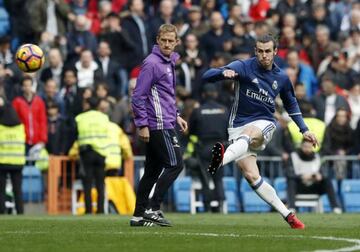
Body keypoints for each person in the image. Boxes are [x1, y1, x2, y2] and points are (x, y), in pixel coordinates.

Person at [202, 34, 319, 229]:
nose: (264, 55)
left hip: (264, 123)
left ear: (275, 52)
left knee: (250, 133)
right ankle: (289, 216)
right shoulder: (243, 66)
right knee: (251, 176)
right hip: (236, 126)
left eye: (268, 51)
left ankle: (221, 158)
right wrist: (223, 73)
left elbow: (291, 104)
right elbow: (206, 77)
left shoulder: (281, 77)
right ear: (255, 51)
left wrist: (304, 129)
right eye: (260, 51)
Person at [130, 24, 188, 227]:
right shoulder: (152, 64)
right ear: (157, 39)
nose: (167, 44)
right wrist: (142, 124)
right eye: (163, 40)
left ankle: (138, 216)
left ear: (176, 42)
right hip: (158, 124)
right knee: (175, 164)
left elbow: (167, 94)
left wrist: (177, 115)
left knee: (152, 171)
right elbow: (138, 96)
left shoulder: (169, 61)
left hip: (166, 120)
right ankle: (153, 208)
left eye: (171, 40)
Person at [187, 83, 228, 212]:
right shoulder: (224, 110)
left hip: (204, 147)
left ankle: (207, 206)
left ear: (204, 95)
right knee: (218, 177)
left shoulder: (198, 111)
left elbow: (191, 131)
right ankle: (221, 204)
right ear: (215, 94)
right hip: (220, 147)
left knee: (205, 178)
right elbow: (229, 130)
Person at [287, 139, 342, 213]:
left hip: (314, 185)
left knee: (327, 180)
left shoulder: (317, 156)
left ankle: (335, 208)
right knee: (291, 181)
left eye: (309, 147)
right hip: (299, 185)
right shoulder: (293, 156)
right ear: (301, 146)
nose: (307, 149)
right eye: (305, 146)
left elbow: (324, 172)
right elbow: (289, 173)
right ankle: (292, 208)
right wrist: (301, 176)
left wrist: (320, 176)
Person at [75, 97, 109, 214]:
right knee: (100, 184)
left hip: (87, 153)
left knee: (87, 183)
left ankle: (88, 210)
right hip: (101, 152)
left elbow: (76, 134)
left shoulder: (80, 117)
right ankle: (100, 210)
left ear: (88, 104)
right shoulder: (104, 117)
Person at [0, 96, 25, 214]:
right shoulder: (20, 127)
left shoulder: (1, 128)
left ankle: (1, 211)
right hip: (17, 162)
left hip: (3, 162)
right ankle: (20, 211)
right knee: (17, 190)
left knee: (1, 189)